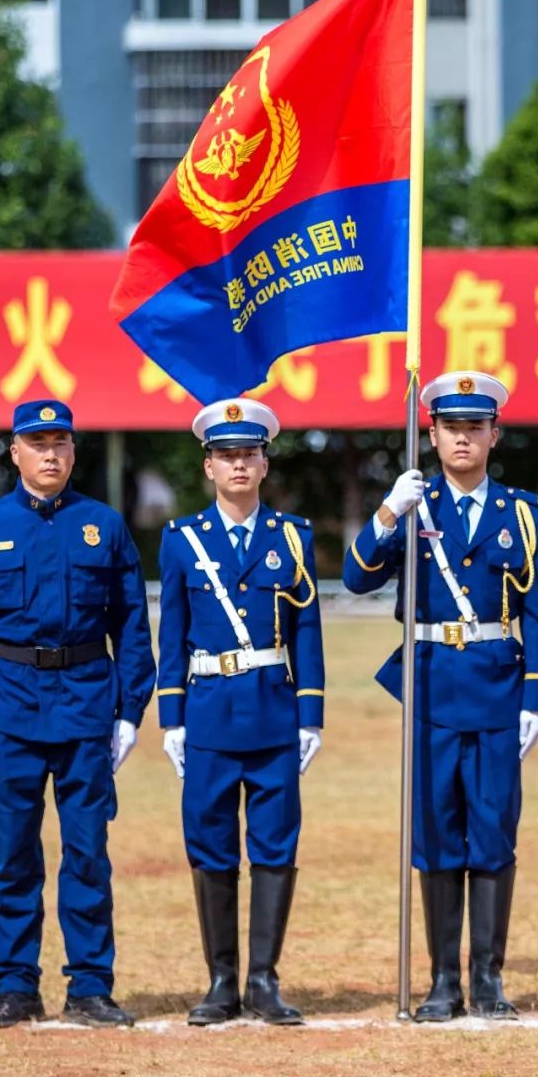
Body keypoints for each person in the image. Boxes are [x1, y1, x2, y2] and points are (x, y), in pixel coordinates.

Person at [342, 371, 538, 1021]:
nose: (463, 438)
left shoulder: (522, 513)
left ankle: (487, 979)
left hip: (495, 687)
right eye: (450, 427)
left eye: (474, 426)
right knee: (435, 832)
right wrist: (386, 513)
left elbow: (537, 613)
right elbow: (355, 580)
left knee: (491, 831)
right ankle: (442, 981)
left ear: (494, 433)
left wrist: (537, 698)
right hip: (430, 687)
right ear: (430, 434)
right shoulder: (415, 505)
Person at [0, 400, 155, 1029]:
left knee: (88, 852)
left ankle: (90, 986)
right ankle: (15, 987)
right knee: (13, 855)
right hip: (9, 712)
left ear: (73, 451)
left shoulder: (104, 526)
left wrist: (129, 711)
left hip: (88, 708)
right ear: (14, 451)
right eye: (37, 444)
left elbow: (131, 625)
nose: (50, 455)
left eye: (61, 443)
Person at [158, 398, 324, 1027]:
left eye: (248, 453)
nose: (238, 464)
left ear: (264, 463)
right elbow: (170, 634)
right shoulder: (181, 542)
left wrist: (311, 714)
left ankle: (263, 979)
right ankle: (222, 981)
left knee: (276, 843)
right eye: (226, 454)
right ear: (208, 466)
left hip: (274, 713)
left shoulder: (293, 537)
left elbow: (306, 631)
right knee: (210, 844)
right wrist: (171, 718)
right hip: (207, 714)